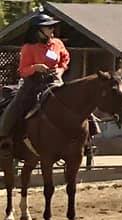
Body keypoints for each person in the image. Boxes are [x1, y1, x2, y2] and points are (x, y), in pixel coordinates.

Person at [1, 13, 70, 146]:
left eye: (52, 27)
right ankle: (3, 135)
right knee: (16, 104)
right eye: (48, 27)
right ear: (38, 31)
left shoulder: (57, 43)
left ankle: (89, 138)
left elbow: (65, 59)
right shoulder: (28, 48)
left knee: (74, 98)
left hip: (54, 81)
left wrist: (61, 71)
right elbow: (22, 71)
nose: (52, 30)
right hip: (33, 83)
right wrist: (35, 67)